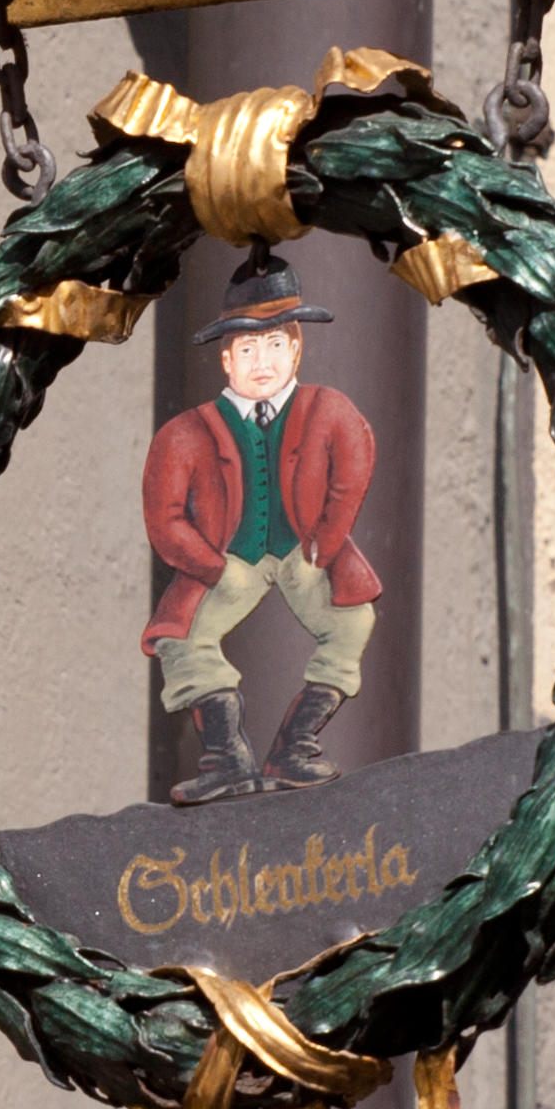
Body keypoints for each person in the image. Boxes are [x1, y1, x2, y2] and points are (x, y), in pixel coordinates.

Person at [139, 249, 379, 805]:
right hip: (228, 559)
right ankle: (227, 758)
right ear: (226, 360)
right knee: (182, 639)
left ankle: (295, 745)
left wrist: (328, 539)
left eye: (275, 345)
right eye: (247, 348)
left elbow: (353, 469)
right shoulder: (184, 433)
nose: (262, 361)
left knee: (352, 621)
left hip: (305, 549)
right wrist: (212, 565)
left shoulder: (330, 409)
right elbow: (164, 518)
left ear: (297, 349)